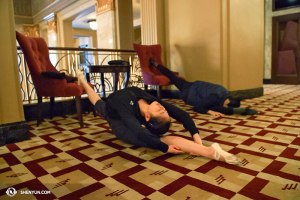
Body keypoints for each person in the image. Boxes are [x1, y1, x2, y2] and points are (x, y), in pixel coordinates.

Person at [76, 69, 241, 165]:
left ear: (147, 116)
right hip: (116, 117)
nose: (163, 108)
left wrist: (196, 137)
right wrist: (163, 147)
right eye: (163, 111)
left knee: (155, 136)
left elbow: (182, 114)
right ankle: (83, 80)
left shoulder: (151, 105)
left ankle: (209, 151)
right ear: (147, 116)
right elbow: (137, 130)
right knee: (99, 103)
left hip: (132, 114)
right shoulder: (128, 103)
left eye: (162, 112)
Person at [149, 58, 258, 117]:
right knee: (214, 108)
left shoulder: (225, 92)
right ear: (228, 101)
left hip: (193, 86)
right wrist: (209, 112)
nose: (225, 107)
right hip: (188, 93)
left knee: (172, 77)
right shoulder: (216, 98)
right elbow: (197, 108)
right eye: (227, 106)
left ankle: (156, 65)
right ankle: (243, 111)